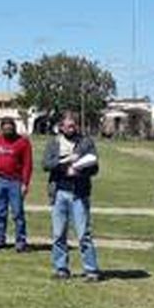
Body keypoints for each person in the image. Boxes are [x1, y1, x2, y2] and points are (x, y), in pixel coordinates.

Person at [43, 112, 101, 282]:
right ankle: (61, 268)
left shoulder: (86, 142)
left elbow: (95, 167)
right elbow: (46, 164)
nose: (71, 128)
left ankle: (91, 270)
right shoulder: (54, 143)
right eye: (68, 126)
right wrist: (63, 164)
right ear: (61, 127)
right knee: (58, 233)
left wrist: (79, 170)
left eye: (74, 125)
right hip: (59, 192)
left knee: (83, 234)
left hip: (79, 193)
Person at [0, 116, 34, 252]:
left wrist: (25, 183)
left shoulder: (23, 142)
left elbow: (28, 164)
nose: (7, 131)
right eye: (5, 129)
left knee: (17, 212)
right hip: (0, 180)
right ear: (1, 129)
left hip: (15, 182)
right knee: (0, 211)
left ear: (14, 128)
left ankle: (21, 241)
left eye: (10, 128)